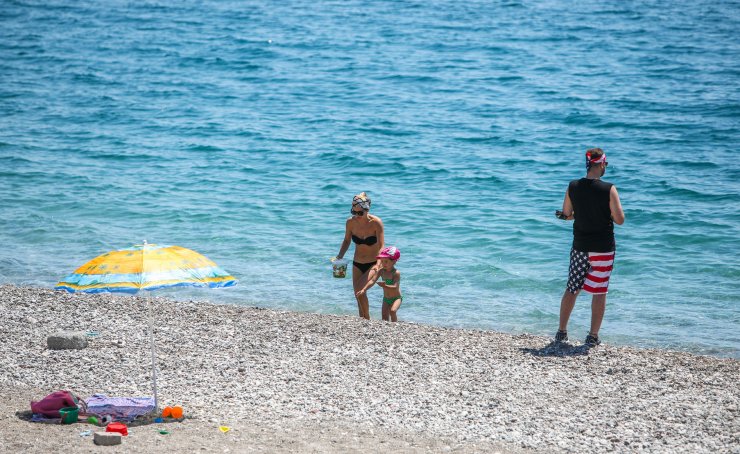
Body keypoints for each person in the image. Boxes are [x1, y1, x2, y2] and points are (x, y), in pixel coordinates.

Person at [554, 148, 625, 347]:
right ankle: (592, 336)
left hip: (580, 247)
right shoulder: (609, 189)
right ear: (602, 164)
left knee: (572, 288)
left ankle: (561, 332)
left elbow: (567, 214)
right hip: (602, 248)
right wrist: (606, 214)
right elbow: (620, 220)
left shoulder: (573, 186)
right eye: (606, 164)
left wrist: (580, 213)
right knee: (599, 291)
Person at [335, 192, 385, 319]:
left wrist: (378, 264)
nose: (356, 216)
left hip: (373, 263)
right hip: (357, 263)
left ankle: (367, 319)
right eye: (354, 212)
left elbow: (381, 246)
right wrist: (339, 256)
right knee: (357, 294)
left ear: (367, 209)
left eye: (359, 213)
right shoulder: (350, 223)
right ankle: (362, 319)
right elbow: (346, 240)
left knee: (360, 291)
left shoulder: (376, 223)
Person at [356, 246, 402, 322]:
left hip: (396, 298)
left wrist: (385, 286)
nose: (383, 264)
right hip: (386, 299)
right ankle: (386, 330)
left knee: (393, 311)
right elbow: (372, 281)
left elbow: (395, 287)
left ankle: (395, 327)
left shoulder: (396, 273)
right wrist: (364, 289)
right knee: (384, 316)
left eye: (386, 261)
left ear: (394, 261)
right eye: (382, 261)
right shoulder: (381, 271)